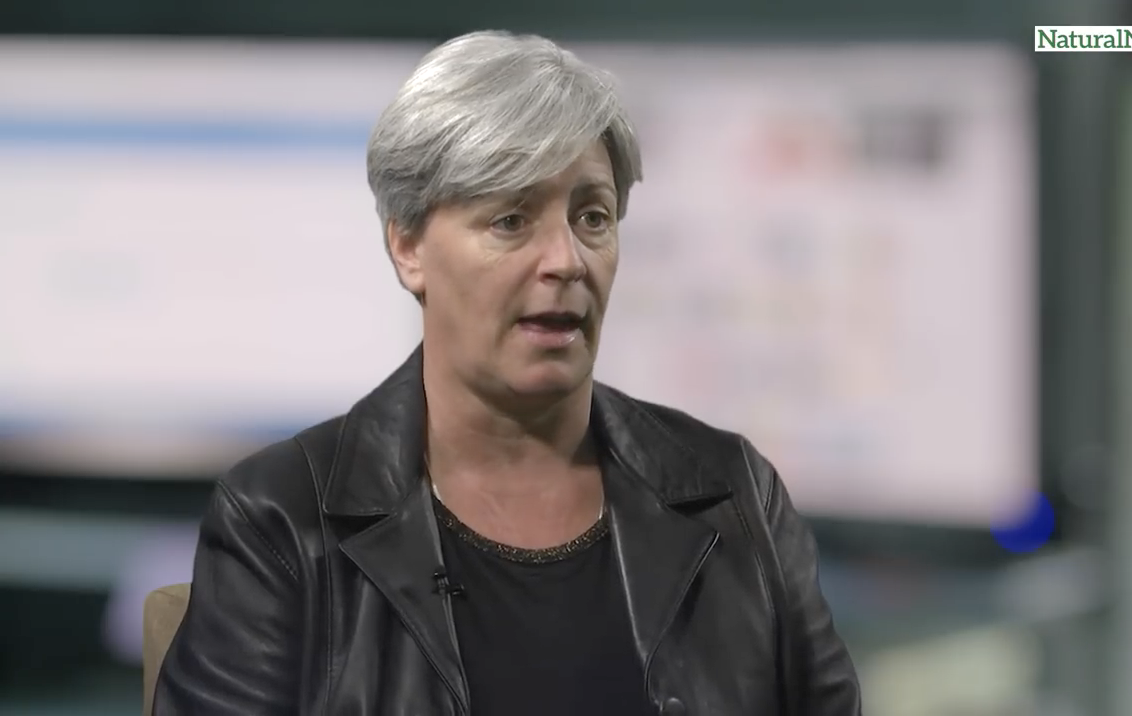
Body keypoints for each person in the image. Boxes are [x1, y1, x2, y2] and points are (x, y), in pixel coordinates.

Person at [152, 29, 862, 716]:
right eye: (511, 221)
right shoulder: (281, 520)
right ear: (408, 247)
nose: (567, 260)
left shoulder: (735, 496)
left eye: (592, 217)